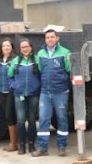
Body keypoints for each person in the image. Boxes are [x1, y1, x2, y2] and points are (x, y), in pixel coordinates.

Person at [35, 28, 72, 157]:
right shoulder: (40, 54)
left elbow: (69, 70)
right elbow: (40, 71)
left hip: (60, 92)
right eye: (47, 38)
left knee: (62, 119)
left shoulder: (65, 53)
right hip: (45, 92)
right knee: (44, 119)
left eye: (52, 37)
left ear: (57, 38)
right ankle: (42, 148)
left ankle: (62, 147)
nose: (49, 39)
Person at [9, 38, 41, 155]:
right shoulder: (16, 61)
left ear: (31, 47)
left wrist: (38, 87)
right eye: (22, 47)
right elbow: (10, 76)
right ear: (20, 49)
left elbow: (42, 75)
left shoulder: (37, 60)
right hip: (19, 94)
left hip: (33, 94)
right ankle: (21, 145)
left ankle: (31, 144)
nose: (25, 49)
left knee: (32, 120)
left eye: (26, 46)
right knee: (21, 120)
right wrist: (14, 86)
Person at [0, 39, 17, 152]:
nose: (6, 47)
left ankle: (13, 144)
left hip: (11, 92)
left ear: (11, 47)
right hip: (1, 92)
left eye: (8, 45)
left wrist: (13, 87)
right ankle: (12, 142)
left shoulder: (15, 60)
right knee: (5, 116)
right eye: (4, 45)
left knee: (10, 115)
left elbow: (15, 76)